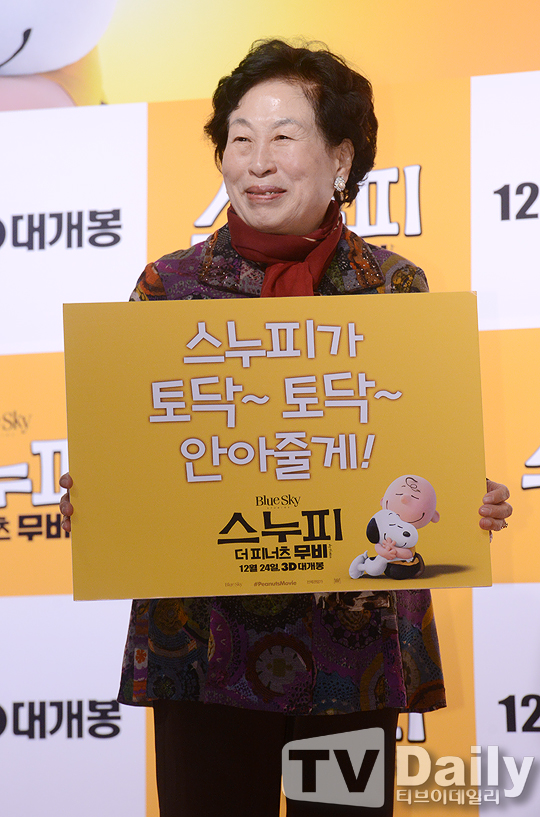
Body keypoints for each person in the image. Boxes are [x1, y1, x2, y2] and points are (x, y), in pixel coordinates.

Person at [59, 39, 512, 817]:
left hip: (352, 652)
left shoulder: (394, 289)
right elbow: (141, 458)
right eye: (239, 138)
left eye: (282, 135)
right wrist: (102, 495)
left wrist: (460, 495)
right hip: (203, 647)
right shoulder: (169, 289)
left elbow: (413, 463)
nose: (257, 161)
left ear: (341, 157)